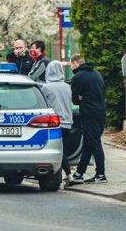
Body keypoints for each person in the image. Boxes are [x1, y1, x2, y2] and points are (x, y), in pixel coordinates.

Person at [69, 54, 106, 184]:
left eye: (71, 65)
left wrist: (81, 98)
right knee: (88, 143)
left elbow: (75, 99)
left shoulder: (77, 77)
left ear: (75, 64)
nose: (71, 67)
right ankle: (80, 172)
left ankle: (101, 174)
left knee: (95, 143)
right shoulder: (96, 74)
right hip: (101, 112)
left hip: (88, 113)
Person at [40, 60, 76, 181]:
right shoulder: (67, 87)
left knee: (58, 152)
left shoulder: (46, 87)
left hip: (54, 124)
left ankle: (67, 175)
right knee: (62, 150)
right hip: (68, 123)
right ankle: (68, 175)